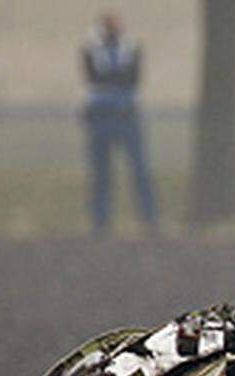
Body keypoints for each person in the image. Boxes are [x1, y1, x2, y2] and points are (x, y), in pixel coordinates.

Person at [81, 13, 159, 235]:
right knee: (101, 173)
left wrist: (112, 79)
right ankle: (100, 223)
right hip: (101, 115)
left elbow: (132, 78)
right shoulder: (91, 48)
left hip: (126, 114)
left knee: (140, 170)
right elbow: (93, 77)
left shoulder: (131, 48)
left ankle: (149, 219)